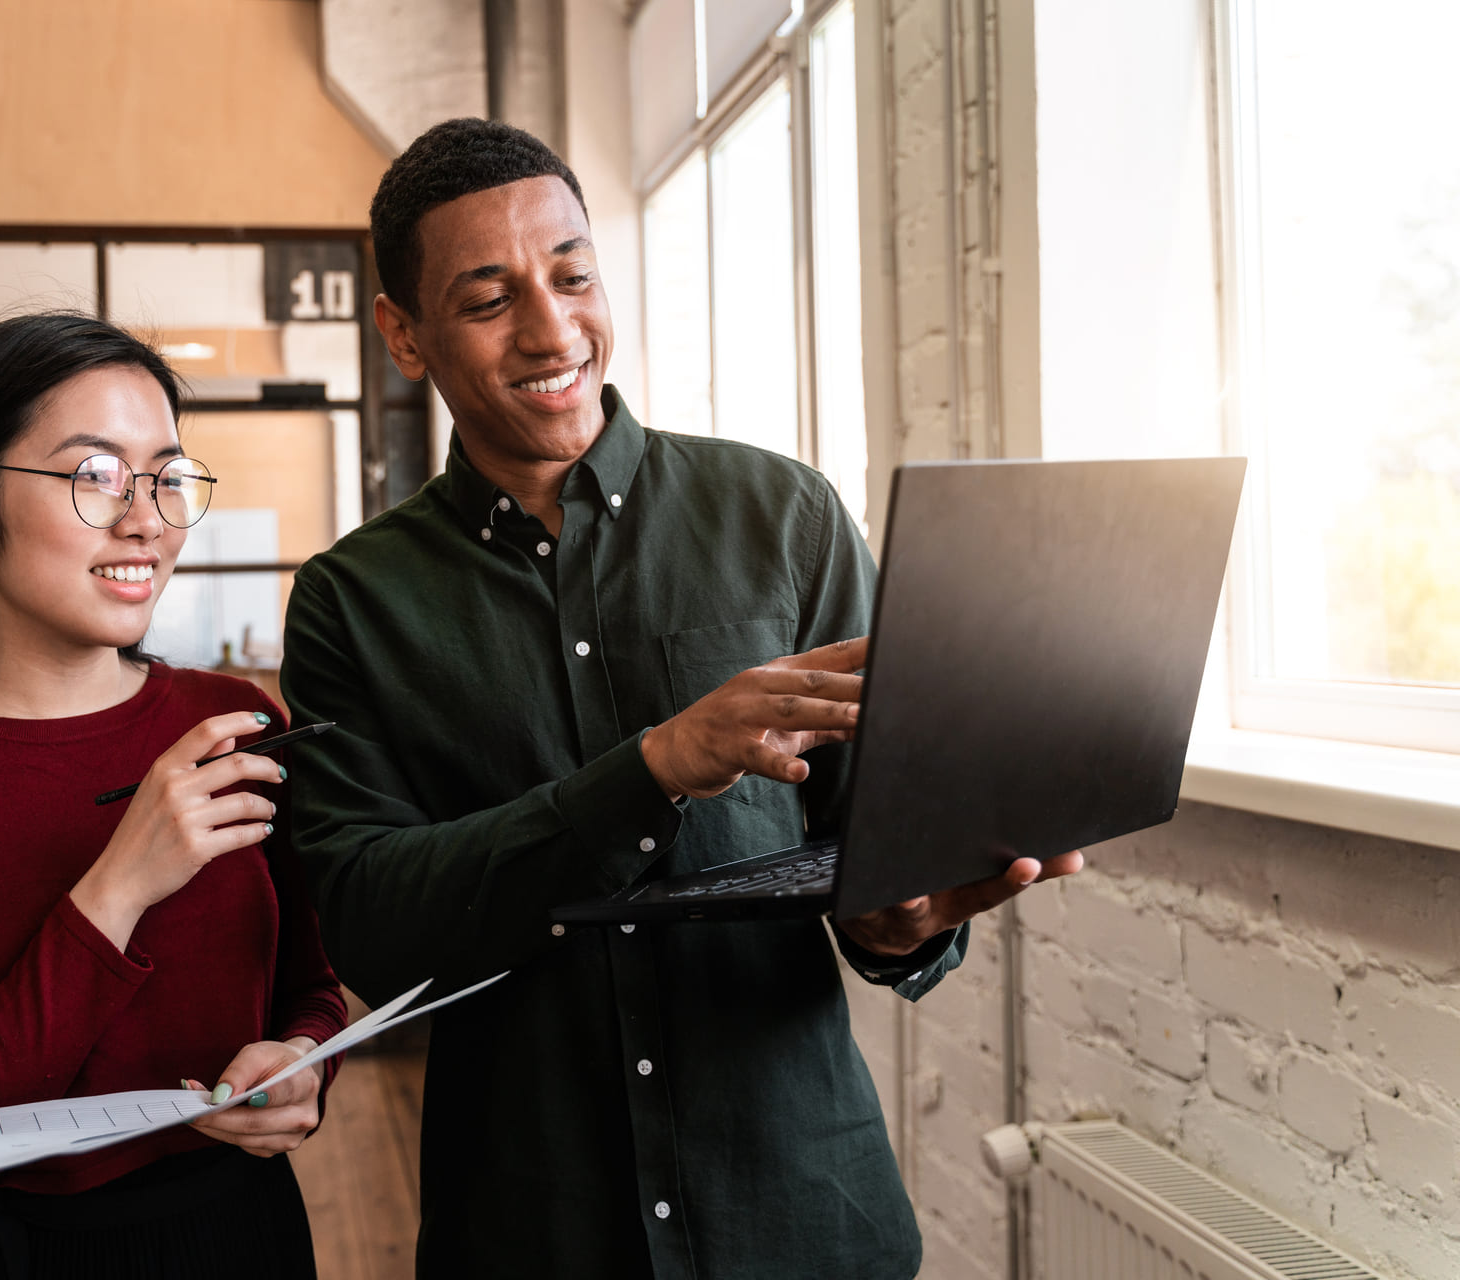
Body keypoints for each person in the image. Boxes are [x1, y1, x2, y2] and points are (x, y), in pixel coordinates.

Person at [279, 119, 1083, 1279]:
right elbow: (374, 928)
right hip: (535, 1235)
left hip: (803, 1224)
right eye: (490, 299)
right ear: (404, 332)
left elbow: (875, 847)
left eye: (573, 276)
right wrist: (653, 766)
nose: (552, 330)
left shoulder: (787, 517)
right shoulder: (352, 602)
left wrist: (904, 921)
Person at [0, 312, 348, 1279]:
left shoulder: (233, 721)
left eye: (166, 478)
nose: (146, 520)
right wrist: (120, 885)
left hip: (244, 1233)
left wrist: (305, 1062)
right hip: (9, 1257)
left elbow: (310, 989)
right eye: (94, 475)